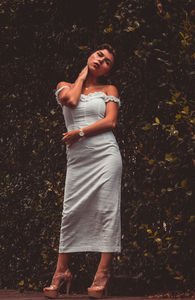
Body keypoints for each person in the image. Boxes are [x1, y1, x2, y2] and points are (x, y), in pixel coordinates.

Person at [43, 43, 122, 299]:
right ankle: (62, 272)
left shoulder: (109, 89)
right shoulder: (64, 85)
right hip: (78, 160)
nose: (101, 60)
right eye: (100, 55)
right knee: (70, 210)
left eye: (107, 61)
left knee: (107, 209)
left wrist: (80, 132)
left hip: (106, 155)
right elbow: (71, 100)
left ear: (109, 70)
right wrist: (82, 75)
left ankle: (103, 273)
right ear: (91, 55)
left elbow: (110, 121)